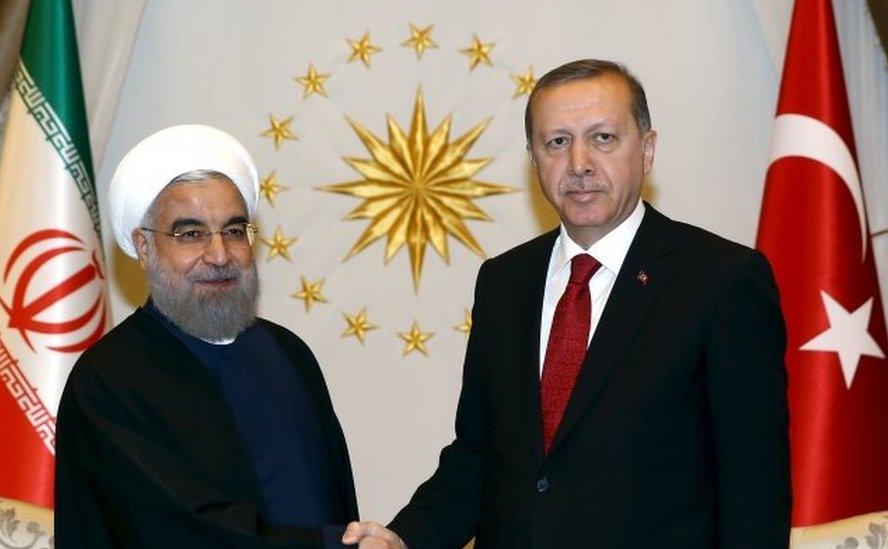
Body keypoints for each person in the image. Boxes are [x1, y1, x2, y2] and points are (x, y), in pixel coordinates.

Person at [343, 59, 791, 548]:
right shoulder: (504, 282)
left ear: (647, 149)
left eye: (602, 138)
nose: (579, 163)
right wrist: (405, 538)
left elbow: (755, 490)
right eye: (557, 142)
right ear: (533, 158)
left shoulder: (721, 279)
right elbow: (482, 454)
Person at [56, 124, 358, 547]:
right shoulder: (109, 381)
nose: (219, 255)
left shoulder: (289, 354)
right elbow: (182, 530)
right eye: (190, 234)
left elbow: (333, 498)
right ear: (144, 247)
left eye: (234, 231)